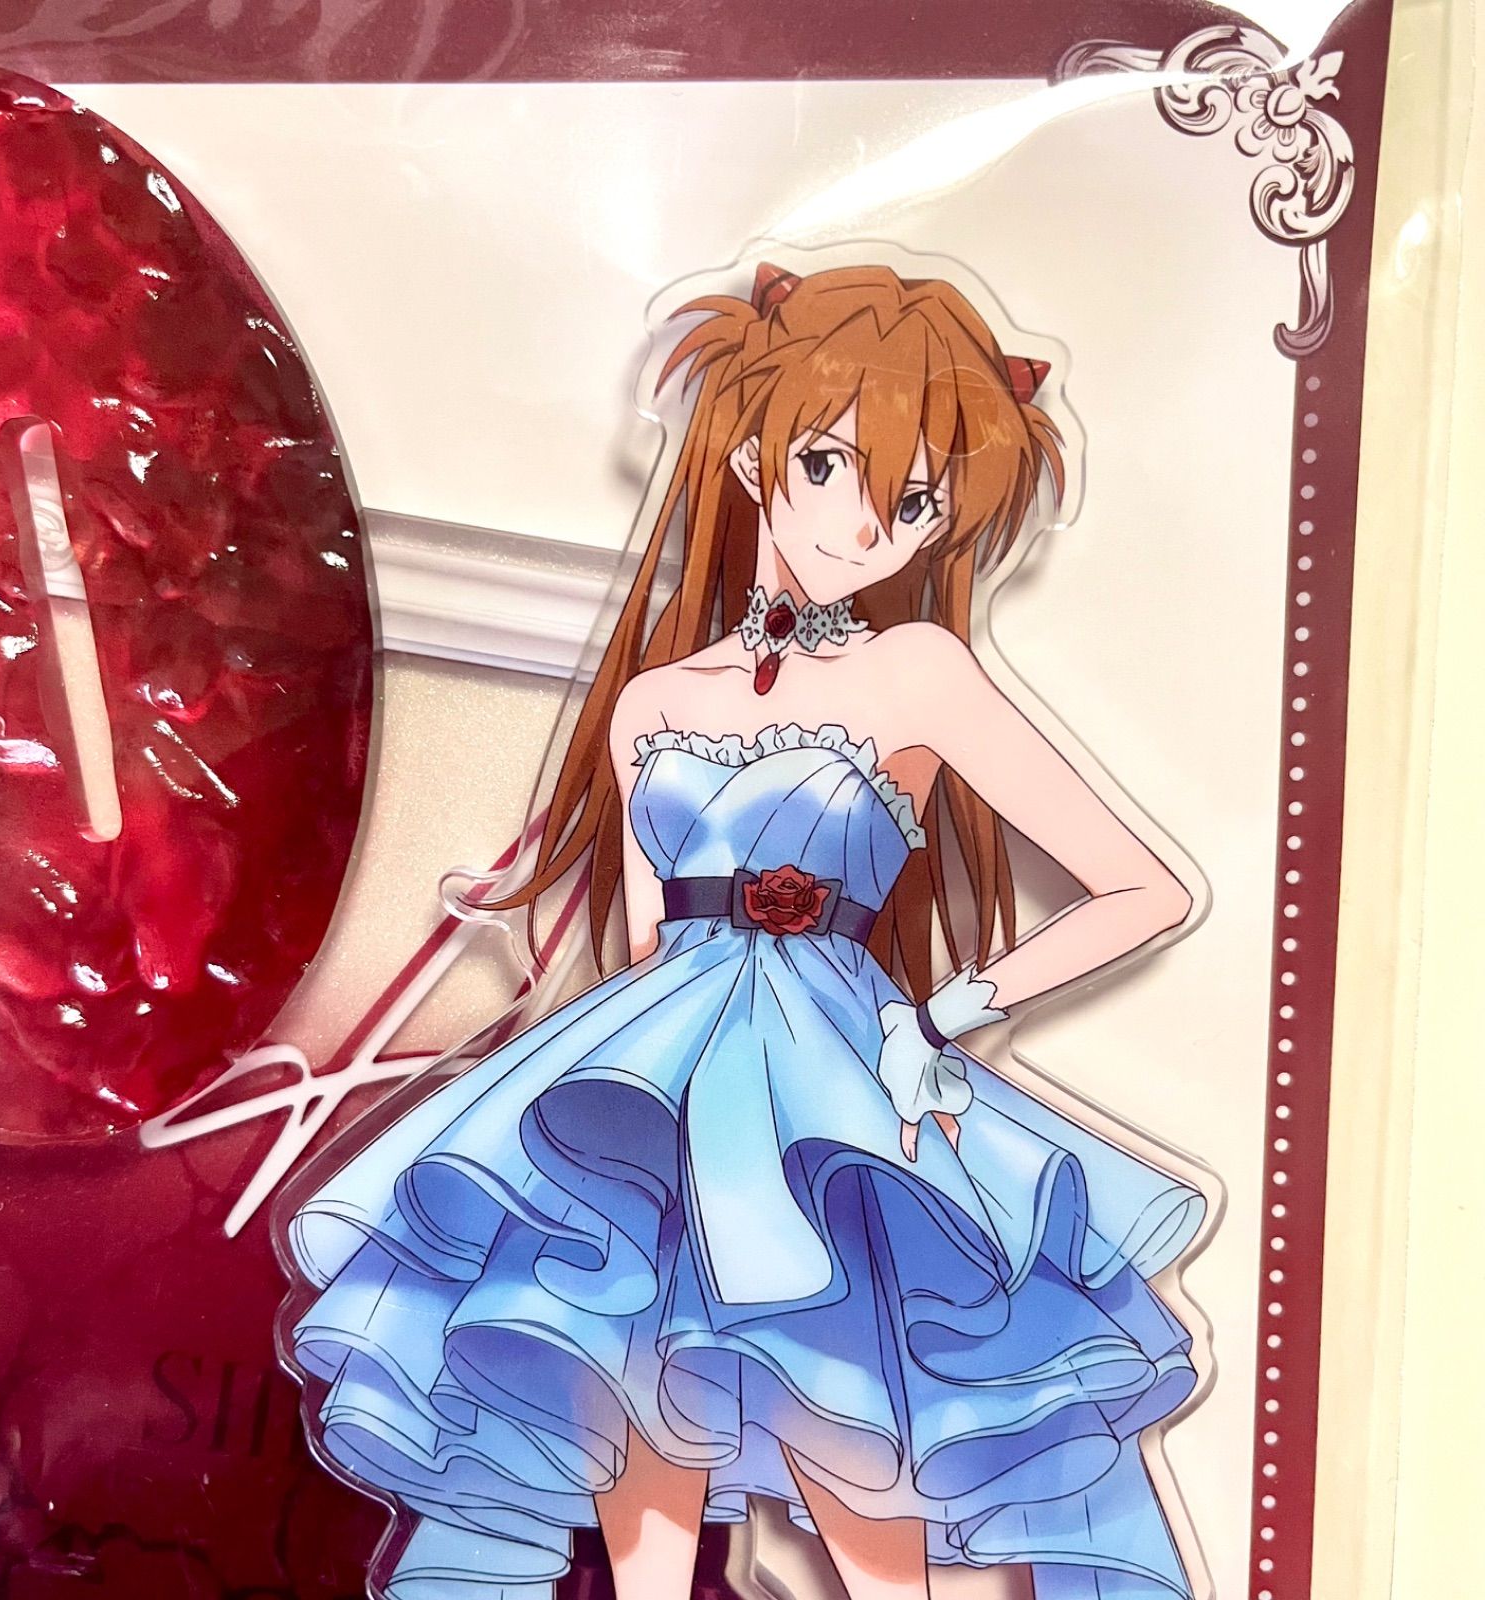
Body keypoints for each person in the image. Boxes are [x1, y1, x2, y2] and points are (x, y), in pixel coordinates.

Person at [281, 261, 1207, 1600]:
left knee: (853, 1431)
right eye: (829, 465)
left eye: (916, 501)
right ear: (753, 452)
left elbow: (1146, 890)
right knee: (630, 1403)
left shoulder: (915, 671)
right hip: (652, 1083)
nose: (865, 525)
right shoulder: (652, 702)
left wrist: (949, 1014)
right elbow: (647, 947)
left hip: (836, 1091)